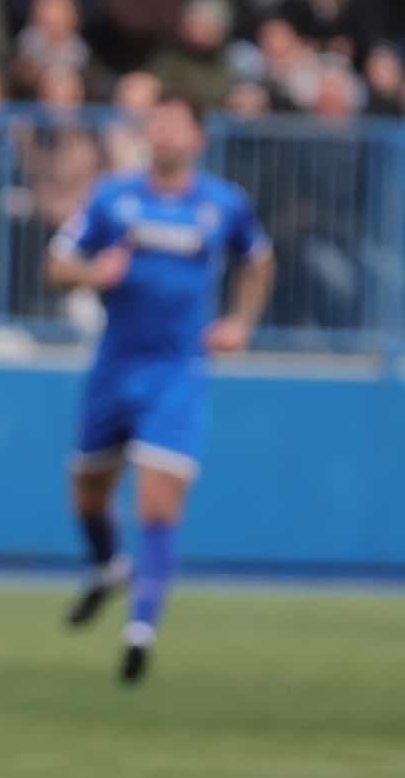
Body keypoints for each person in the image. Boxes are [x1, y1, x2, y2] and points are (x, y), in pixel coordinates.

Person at [46, 95, 273, 684]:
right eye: (159, 123)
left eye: (178, 123)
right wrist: (93, 273)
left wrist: (241, 323)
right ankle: (108, 567)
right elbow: (58, 263)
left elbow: (259, 260)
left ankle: (140, 632)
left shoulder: (223, 203)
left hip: (178, 371)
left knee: (156, 499)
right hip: (114, 367)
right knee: (88, 497)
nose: (166, 132)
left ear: (199, 139)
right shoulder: (113, 197)